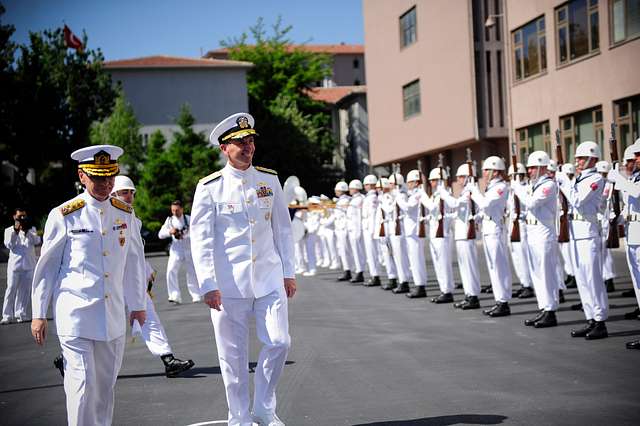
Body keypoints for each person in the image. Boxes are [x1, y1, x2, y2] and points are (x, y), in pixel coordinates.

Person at [190, 113, 296, 426]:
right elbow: (201, 239)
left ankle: (263, 408)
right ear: (224, 148)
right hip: (228, 285)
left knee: (279, 341)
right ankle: (239, 418)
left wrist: (288, 272)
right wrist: (208, 284)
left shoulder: (269, 179)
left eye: (250, 141)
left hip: (269, 277)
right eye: (240, 143)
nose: (247, 147)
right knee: (233, 358)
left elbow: (283, 230)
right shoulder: (210, 187)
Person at [31, 145, 146, 426]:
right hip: (76, 315)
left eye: (110, 177)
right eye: (98, 178)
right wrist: (38, 312)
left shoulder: (124, 214)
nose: (106, 184)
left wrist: (139, 305)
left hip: (112, 316)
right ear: (82, 176)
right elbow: (47, 268)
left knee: (104, 389)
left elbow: (134, 262)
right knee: (81, 386)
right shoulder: (65, 214)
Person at [111, 176, 195, 377]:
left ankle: (168, 359)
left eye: (132, 192)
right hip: (111, 281)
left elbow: (135, 251)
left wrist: (145, 270)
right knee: (102, 324)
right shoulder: (104, 216)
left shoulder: (132, 217)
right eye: (125, 192)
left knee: (150, 317)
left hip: (133, 279)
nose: (130, 196)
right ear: (113, 194)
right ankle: (69, 359)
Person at [556, 141, 608, 340]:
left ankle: (600, 321)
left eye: (580, 158)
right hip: (576, 233)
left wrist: (564, 181)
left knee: (593, 280)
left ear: (592, 159)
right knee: (582, 280)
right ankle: (590, 319)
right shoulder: (579, 179)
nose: (576, 161)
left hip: (588, 233)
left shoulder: (595, 179)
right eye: (576, 157)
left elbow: (578, 200)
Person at [511, 151, 561, 328]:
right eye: (529, 168)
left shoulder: (548, 185)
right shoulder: (534, 185)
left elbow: (531, 203)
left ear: (542, 167)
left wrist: (517, 188)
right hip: (532, 233)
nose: (530, 171)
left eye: (533, 168)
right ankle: (543, 308)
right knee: (537, 275)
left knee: (546, 274)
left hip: (543, 233)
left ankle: (550, 311)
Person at [469, 156, 513, 317]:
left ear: (495, 171)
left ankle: (503, 302)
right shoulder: (491, 187)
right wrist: (479, 216)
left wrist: (474, 192)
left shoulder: (501, 187)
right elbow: (486, 208)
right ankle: (499, 300)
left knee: (499, 266)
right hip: (488, 229)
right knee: (493, 267)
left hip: (495, 230)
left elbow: (486, 203)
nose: (485, 173)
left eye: (487, 170)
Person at [607, 139, 640, 349]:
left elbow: (637, 194)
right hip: (633, 236)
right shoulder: (635, 178)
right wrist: (617, 217)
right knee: (638, 287)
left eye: (638, 155)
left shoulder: (633, 181)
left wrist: (617, 177)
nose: (635, 159)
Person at [440, 164, 481, 309]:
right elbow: (461, 212)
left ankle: (473, 296)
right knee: (464, 267)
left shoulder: (470, 192)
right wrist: (449, 215)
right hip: (461, 234)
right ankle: (468, 294)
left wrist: (443, 193)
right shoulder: (465, 192)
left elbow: (455, 203)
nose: (458, 179)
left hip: (466, 234)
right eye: (458, 177)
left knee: (470, 267)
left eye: (461, 176)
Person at [2, 208, 40, 324]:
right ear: (14, 217)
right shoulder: (9, 231)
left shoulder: (32, 229)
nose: (22, 219)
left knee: (24, 291)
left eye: (24, 216)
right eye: (20, 217)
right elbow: (9, 244)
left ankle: (21, 314)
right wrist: (16, 231)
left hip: (28, 266)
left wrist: (27, 232)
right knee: (11, 290)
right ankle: (7, 315)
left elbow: (37, 241)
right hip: (15, 267)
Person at [158, 200, 200, 304]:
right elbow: (160, 234)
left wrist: (185, 235)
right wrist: (170, 232)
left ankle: (196, 294)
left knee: (192, 272)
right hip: (176, 250)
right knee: (171, 271)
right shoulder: (169, 221)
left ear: (182, 209)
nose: (174, 212)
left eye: (177, 210)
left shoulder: (189, 219)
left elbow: (198, 233)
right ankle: (174, 295)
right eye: (172, 210)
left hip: (189, 248)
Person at [423, 167, 455, 303]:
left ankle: (447, 291)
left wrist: (422, 195)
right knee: (438, 263)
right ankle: (444, 289)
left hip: (443, 233)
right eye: (431, 180)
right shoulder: (437, 194)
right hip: (435, 232)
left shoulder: (445, 194)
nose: (431, 182)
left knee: (443, 263)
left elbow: (432, 207)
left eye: (434, 180)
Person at [398, 170, 428, 298]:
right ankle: (418, 285)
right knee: (414, 259)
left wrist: (399, 199)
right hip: (411, 231)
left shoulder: (418, 194)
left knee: (417, 260)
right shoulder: (413, 194)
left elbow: (408, 208)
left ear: (416, 182)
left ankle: (420, 286)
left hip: (415, 231)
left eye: (410, 182)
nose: (408, 184)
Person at [507, 163, 534, 299]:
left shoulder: (526, 188)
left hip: (521, 225)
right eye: (511, 176)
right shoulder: (512, 190)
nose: (512, 178)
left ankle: (528, 285)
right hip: (512, 225)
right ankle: (524, 283)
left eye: (514, 176)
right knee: (516, 257)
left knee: (523, 257)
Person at [596, 161, 618, 292]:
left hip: (604, 221)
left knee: (605, 253)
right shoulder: (605, 183)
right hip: (599, 220)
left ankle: (608, 279)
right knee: (601, 253)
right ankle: (605, 278)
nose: (601, 175)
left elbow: (603, 200)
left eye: (603, 173)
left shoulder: (609, 185)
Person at [362, 175, 382, 286]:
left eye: (366, 184)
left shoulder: (373, 197)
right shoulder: (369, 197)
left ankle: (375, 276)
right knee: (370, 254)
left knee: (373, 253)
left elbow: (373, 215)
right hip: (367, 228)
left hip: (370, 229)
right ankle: (374, 274)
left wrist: (373, 230)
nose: (365, 186)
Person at [347, 179, 366, 283]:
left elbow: (359, 216)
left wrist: (358, 231)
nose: (349, 190)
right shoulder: (354, 199)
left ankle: (360, 272)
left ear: (356, 188)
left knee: (359, 251)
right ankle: (358, 270)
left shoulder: (359, 199)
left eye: (351, 188)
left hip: (356, 229)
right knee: (355, 251)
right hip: (352, 228)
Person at [333, 181, 354, 282]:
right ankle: (347, 270)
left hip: (343, 228)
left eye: (337, 190)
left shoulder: (346, 201)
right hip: (339, 228)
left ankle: (348, 271)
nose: (335, 191)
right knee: (342, 251)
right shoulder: (340, 201)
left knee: (345, 251)